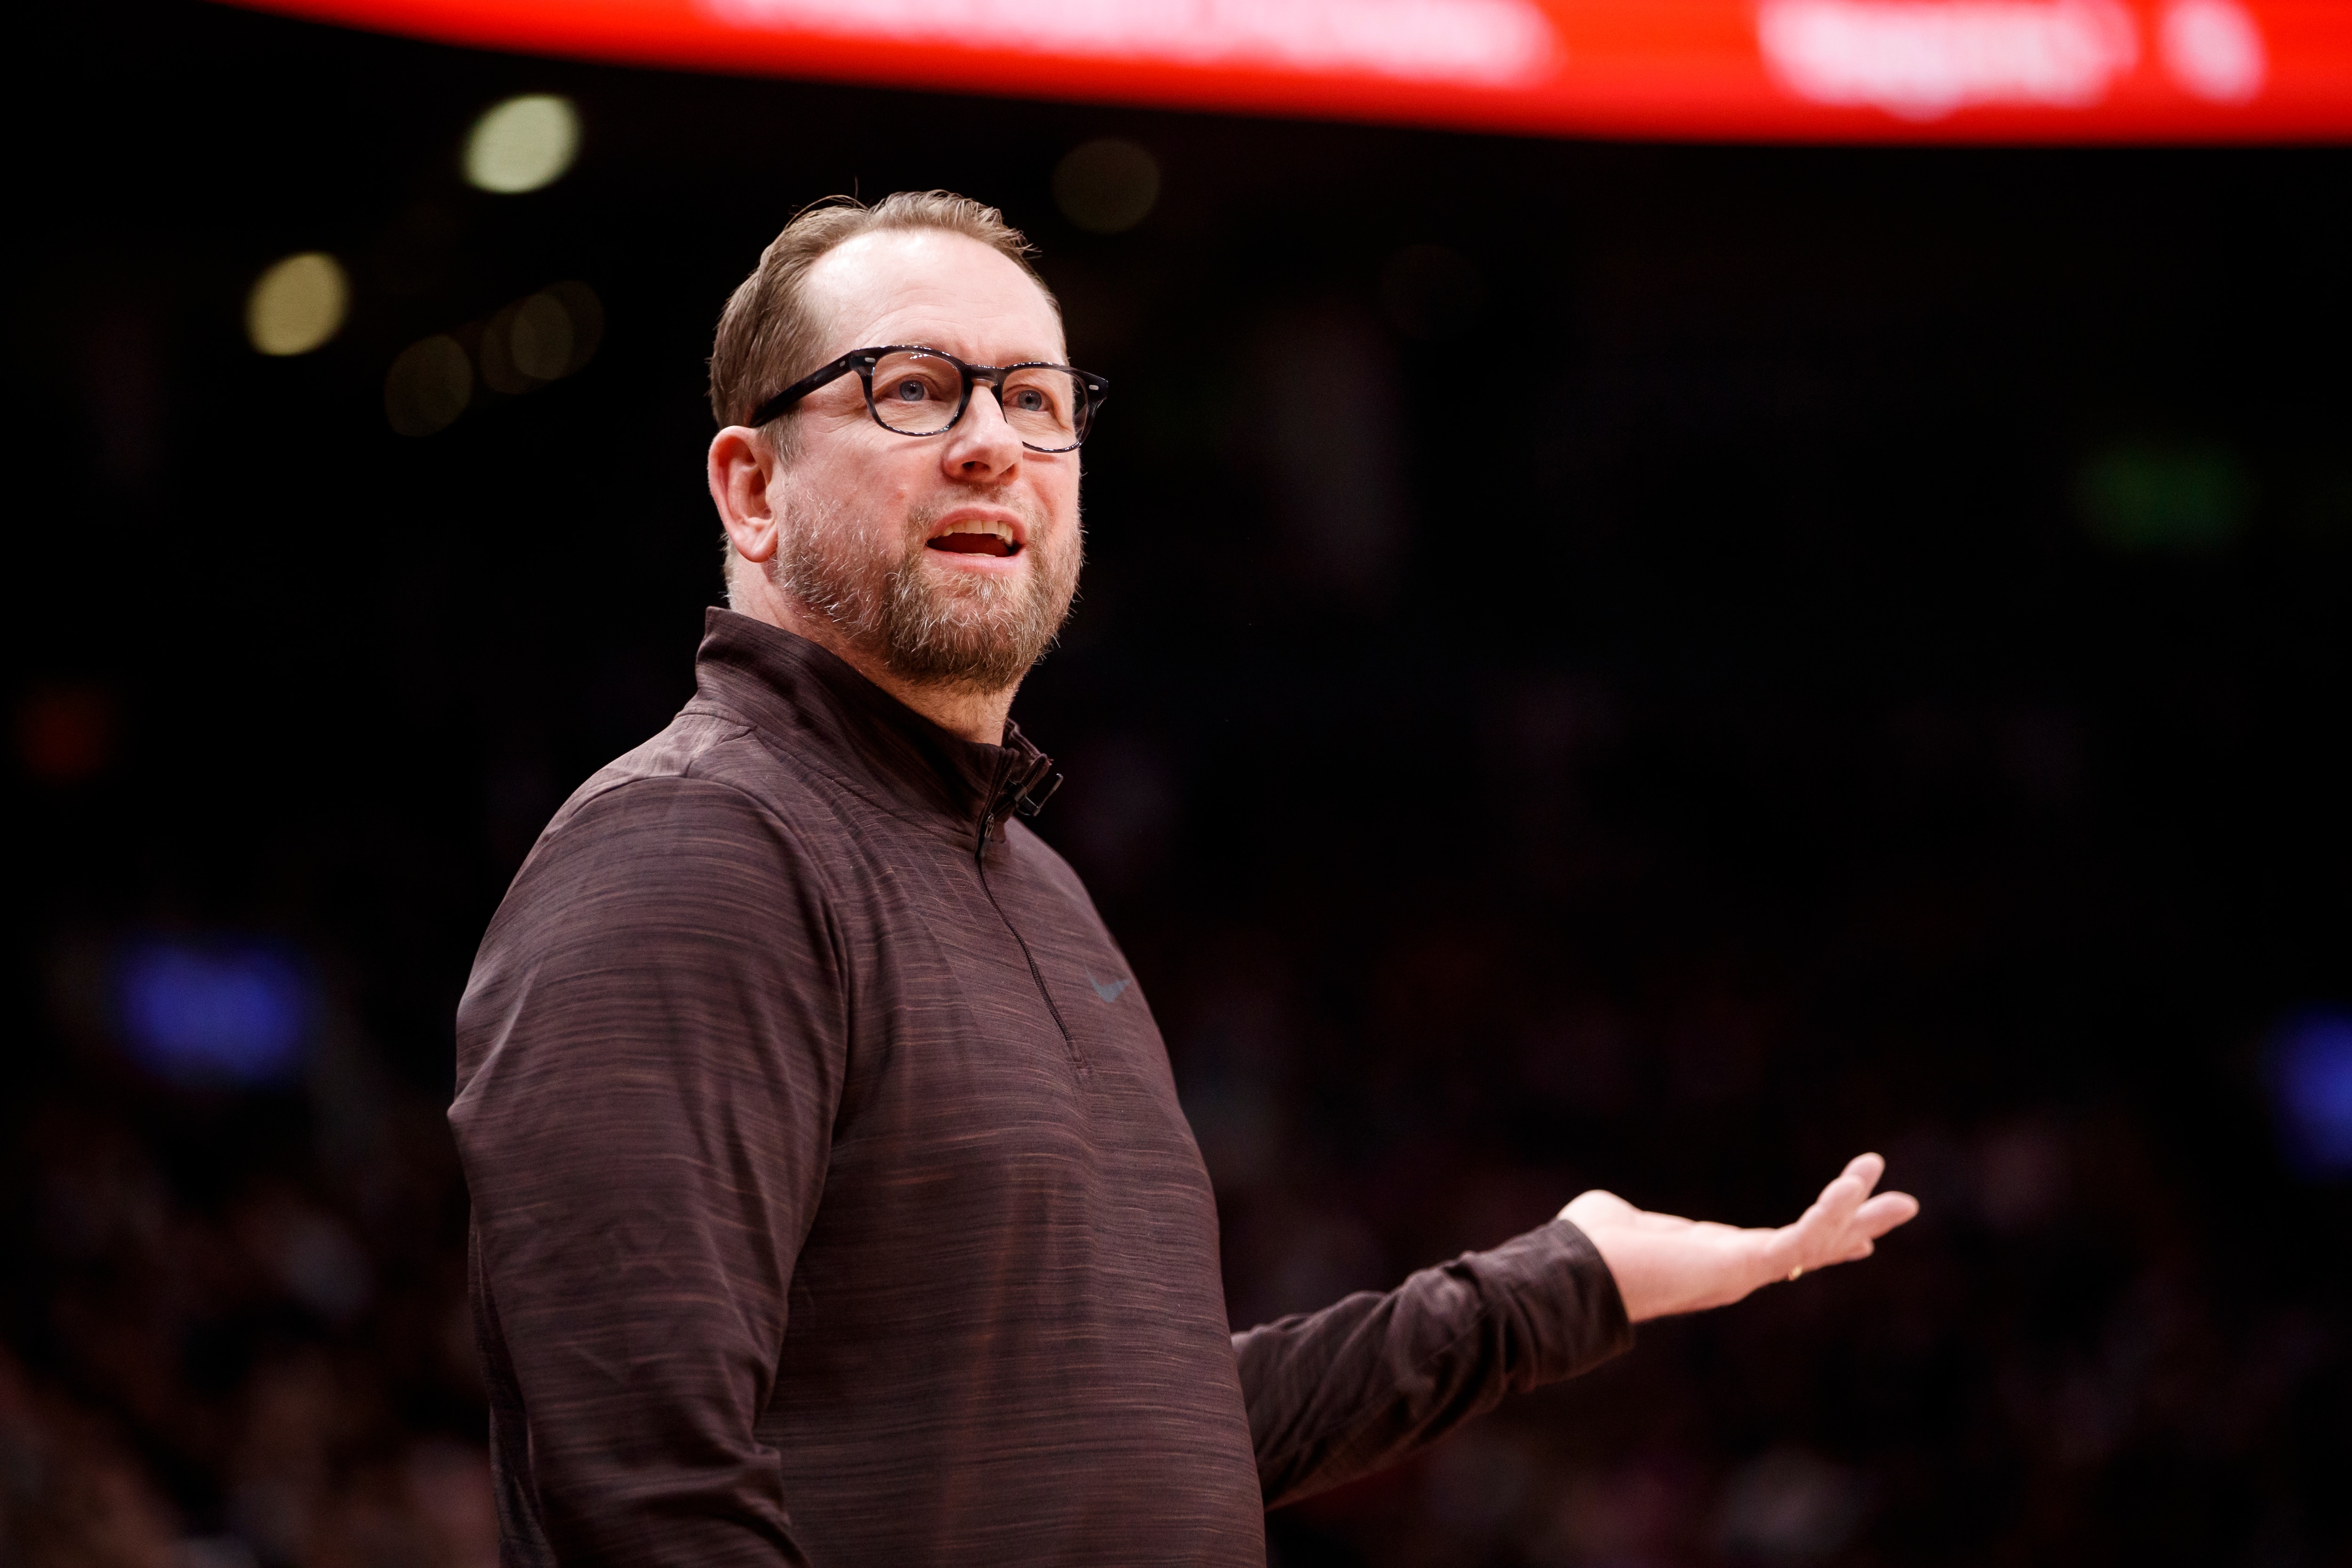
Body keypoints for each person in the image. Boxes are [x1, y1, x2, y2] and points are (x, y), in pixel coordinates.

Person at [449, 191, 1918, 1567]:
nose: (991, 442)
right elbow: (646, 1504)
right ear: (751, 487)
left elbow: (1140, 1441)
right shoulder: (688, 854)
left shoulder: (1035, 887)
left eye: (1034, 398)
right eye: (912, 387)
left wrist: (1563, 1281)